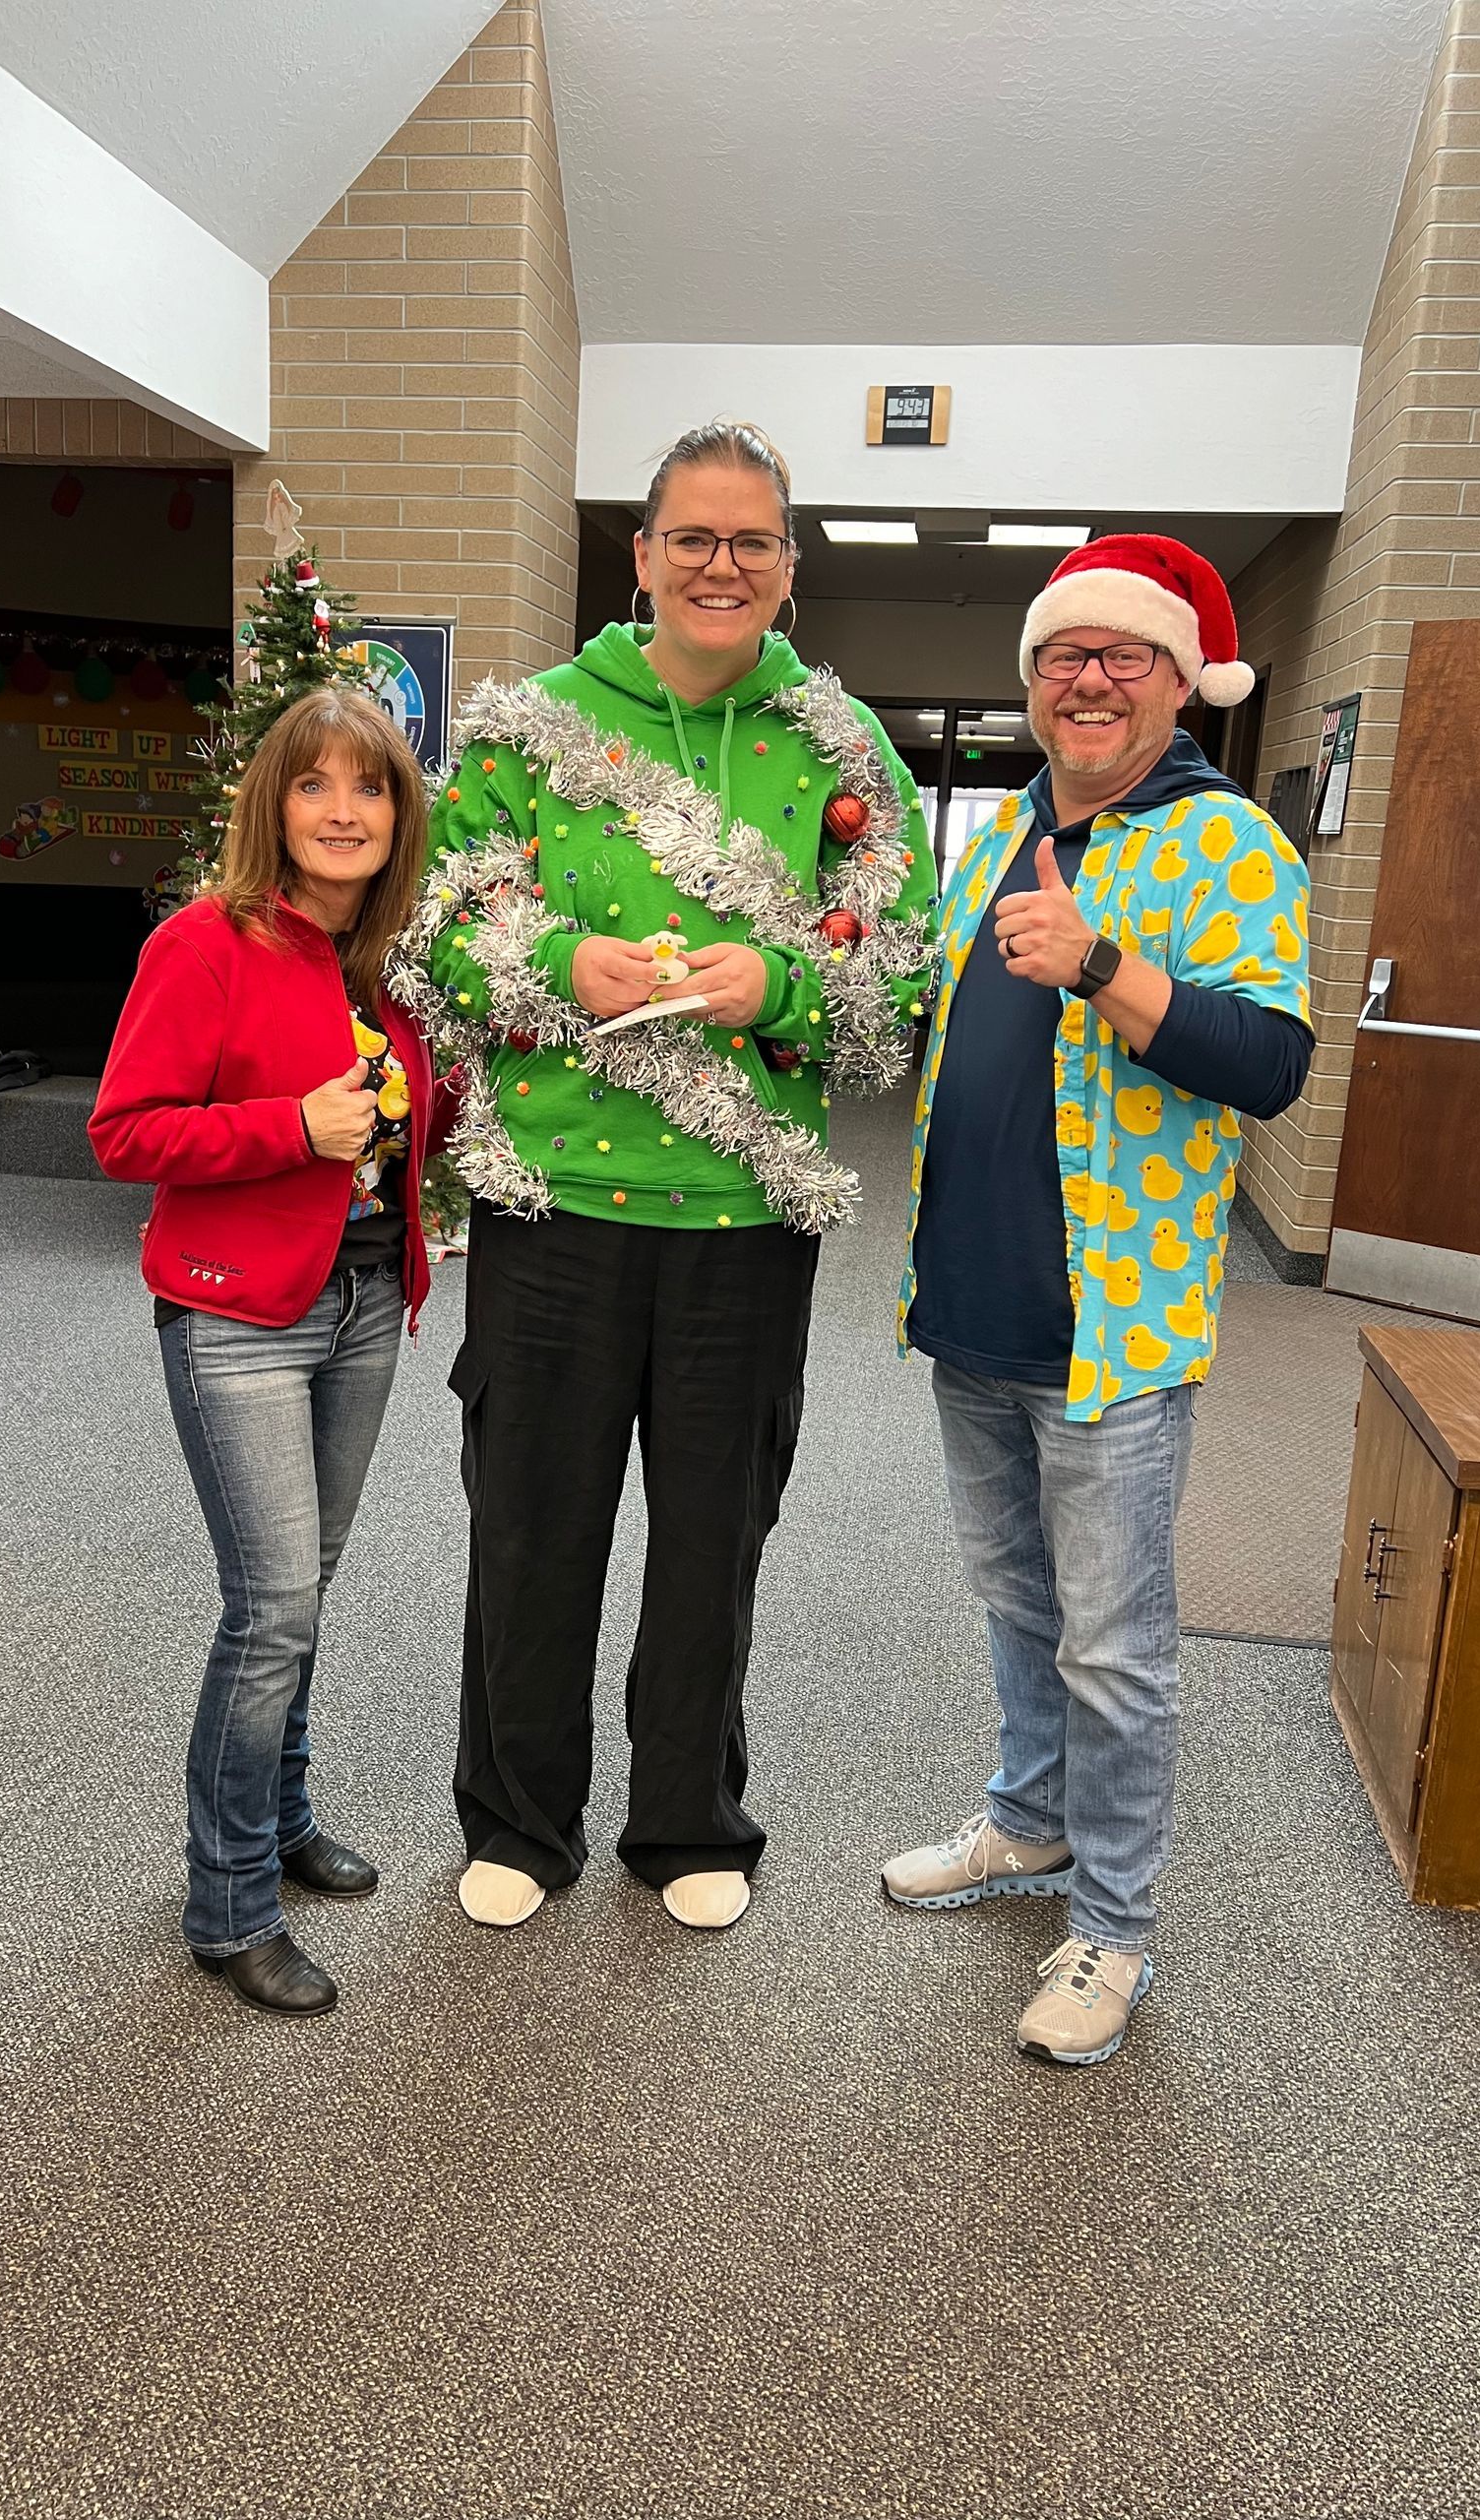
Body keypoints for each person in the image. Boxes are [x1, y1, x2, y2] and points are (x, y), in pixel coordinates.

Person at [393, 419, 937, 1935]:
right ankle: (518, 1817)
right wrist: (566, 957)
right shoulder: (528, 728)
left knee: (715, 1534)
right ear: (639, 559)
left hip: (748, 1222)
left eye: (750, 541)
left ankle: (688, 1816)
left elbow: (902, 968)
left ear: (787, 568)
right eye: (691, 538)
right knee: (532, 1527)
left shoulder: (845, 751)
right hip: (554, 1203)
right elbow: (436, 929)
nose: (720, 564)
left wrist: (781, 990)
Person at [882, 534, 1313, 2066]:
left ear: (1181, 681)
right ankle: (1028, 1822)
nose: (1090, 678)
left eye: (1126, 655)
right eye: (1066, 654)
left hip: (1112, 1326)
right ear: (1032, 679)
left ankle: (1114, 1932)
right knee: (1018, 1606)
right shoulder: (1002, 828)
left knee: (1116, 1644)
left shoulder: (1231, 846)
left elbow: (1270, 1066)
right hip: (975, 1300)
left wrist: (1103, 967)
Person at [91, 685, 446, 2018]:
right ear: (274, 805)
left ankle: (285, 1821)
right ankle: (227, 1903)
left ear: (399, 812)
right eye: (315, 785)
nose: (344, 810)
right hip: (239, 1310)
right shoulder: (208, 941)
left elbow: (409, 1122)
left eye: (370, 787)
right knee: (272, 1606)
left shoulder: (386, 963)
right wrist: (292, 1129)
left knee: (309, 1588)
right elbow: (126, 1133)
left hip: (359, 1301)